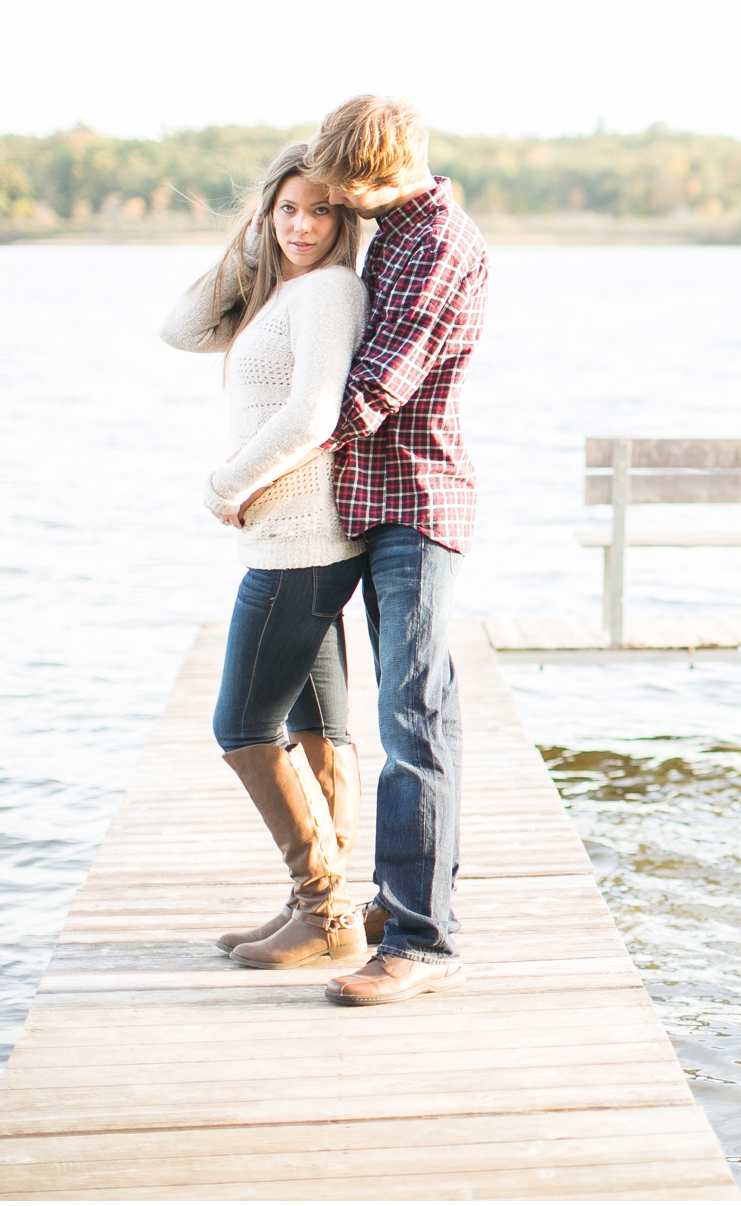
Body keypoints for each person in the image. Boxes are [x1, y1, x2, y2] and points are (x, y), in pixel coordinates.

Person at [300, 96, 491, 1007]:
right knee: (423, 713)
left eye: (347, 184)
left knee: (412, 719)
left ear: (386, 169)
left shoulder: (441, 243)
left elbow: (377, 387)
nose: (339, 198)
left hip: (416, 502)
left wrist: (270, 462)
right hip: (380, 502)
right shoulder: (395, 233)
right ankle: (403, 901)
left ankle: (421, 941)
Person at [160, 143, 370, 970]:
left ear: (345, 218)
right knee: (321, 724)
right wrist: (254, 241)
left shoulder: (327, 291)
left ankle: (324, 907)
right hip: (298, 540)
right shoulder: (284, 290)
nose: (303, 224)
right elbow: (179, 330)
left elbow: (316, 411)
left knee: (243, 724)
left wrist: (226, 484)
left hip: (299, 542)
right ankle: (319, 904)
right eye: (288, 208)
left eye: (321, 210)